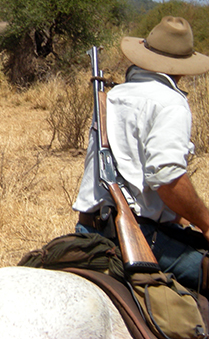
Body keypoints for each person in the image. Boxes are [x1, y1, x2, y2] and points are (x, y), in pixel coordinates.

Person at [73, 16, 209, 295]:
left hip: (87, 231)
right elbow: (167, 179)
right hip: (138, 237)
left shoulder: (114, 96)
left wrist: (180, 217)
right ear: (182, 68)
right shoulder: (171, 102)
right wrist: (206, 223)